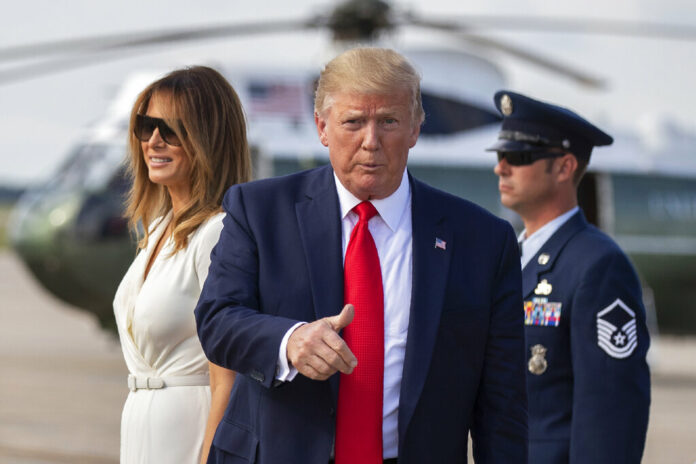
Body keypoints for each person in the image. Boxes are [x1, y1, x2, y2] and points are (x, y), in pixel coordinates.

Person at [195, 47, 527, 464]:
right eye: (353, 122)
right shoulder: (259, 210)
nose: (371, 142)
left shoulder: (482, 239)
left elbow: (504, 402)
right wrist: (288, 341)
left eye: (388, 121)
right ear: (322, 127)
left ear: (415, 129)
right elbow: (217, 318)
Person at [488, 90, 651, 463]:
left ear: (563, 168)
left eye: (518, 156)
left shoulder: (597, 266)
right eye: (500, 155)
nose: (501, 167)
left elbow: (610, 411)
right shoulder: (512, 257)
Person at [112, 66, 251, 464]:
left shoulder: (217, 233)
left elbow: (228, 373)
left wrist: (213, 457)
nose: (153, 140)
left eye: (171, 129)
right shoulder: (157, 230)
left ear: (208, 138)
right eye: (146, 125)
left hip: (190, 429)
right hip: (143, 427)